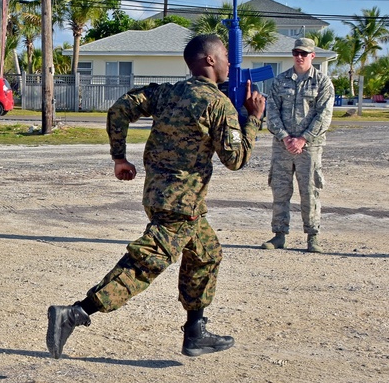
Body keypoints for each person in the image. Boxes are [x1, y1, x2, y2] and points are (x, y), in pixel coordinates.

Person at [46, 34, 266, 359]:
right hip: (182, 205)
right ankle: (75, 313)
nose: (229, 64)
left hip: (159, 197)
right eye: (225, 57)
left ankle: (195, 332)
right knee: (143, 265)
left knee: (207, 254)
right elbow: (237, 159)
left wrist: (119, 157)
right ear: (209, 60)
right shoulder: (218, 104)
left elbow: (121, 108)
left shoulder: (167, 92)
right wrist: (254, 119)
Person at [262, 37, 335, 253]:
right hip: (282, 146)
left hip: (310, 147)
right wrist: (285, 137)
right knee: (280, 190)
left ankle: (313, 236)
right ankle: (279, 235)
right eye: (296, 52)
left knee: (310, 191)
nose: (299, 57)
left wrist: (303, 139)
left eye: (304, 53)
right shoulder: (279, 81)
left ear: (313, 55)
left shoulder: (322, 82)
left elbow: (324, 116)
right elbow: (271, 111)